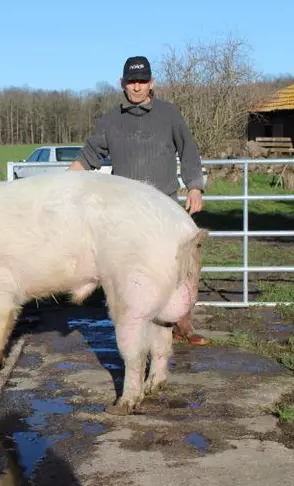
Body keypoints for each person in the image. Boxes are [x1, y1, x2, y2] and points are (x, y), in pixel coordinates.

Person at [67, 55, 209, 346]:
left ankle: (183, 322)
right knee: (132, 270)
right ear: (122, 83)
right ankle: (136, 324)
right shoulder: (110, 121)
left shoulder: (169, 114)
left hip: (165, 205)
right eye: (132, 81)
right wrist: (60, 186)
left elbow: (189, 151)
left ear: (152, 82)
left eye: (142, 81)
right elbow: (88, 157)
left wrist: (195, 187)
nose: (137, 87)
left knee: (181, 263)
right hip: (127, 211)